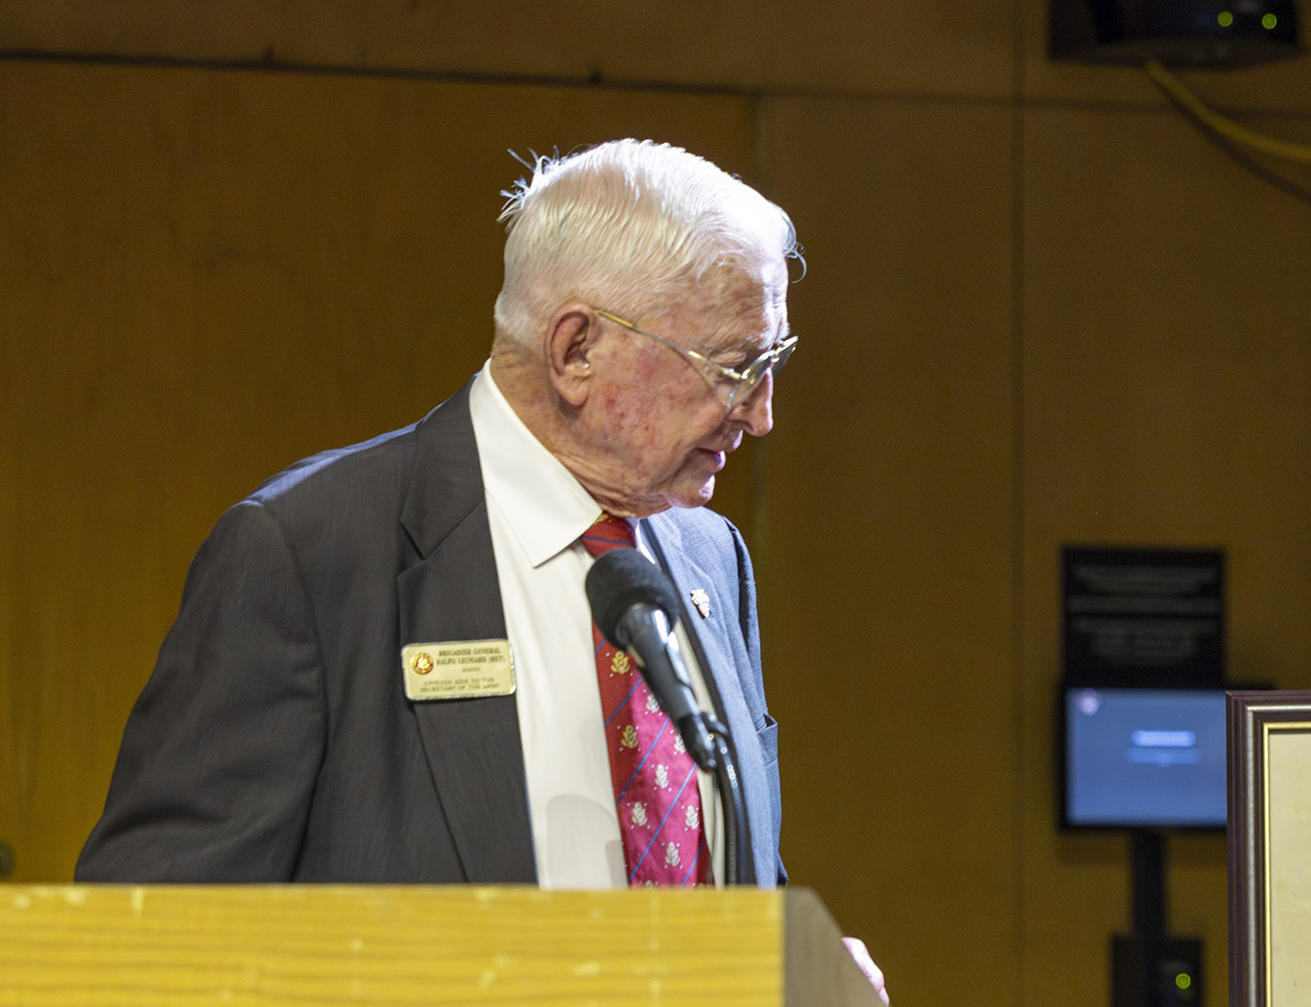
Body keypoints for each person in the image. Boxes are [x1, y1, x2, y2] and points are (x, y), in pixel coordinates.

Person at [78, 139, 792, 888]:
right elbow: (151, 923)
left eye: (773, 364)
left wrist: (796, 961)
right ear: (576, 350)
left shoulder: (712, 557)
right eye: (735, 368)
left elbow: (737, 862)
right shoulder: (307, 555)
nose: (761, 413)